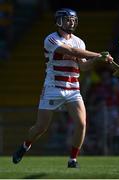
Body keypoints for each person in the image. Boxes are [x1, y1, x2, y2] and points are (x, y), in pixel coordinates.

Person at [12, 8, 113, 168]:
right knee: (41, 127)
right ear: (59, 21)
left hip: (73, 88)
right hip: (53, 87)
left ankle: (73, 160)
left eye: (73, 20)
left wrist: (96, 60)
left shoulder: (79, 41)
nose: (71, 22)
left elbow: (84, 67)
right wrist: (97, 54)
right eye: (68, 19)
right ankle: (25, 145)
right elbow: (71, 51)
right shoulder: (51, 39)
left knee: (81, 123)